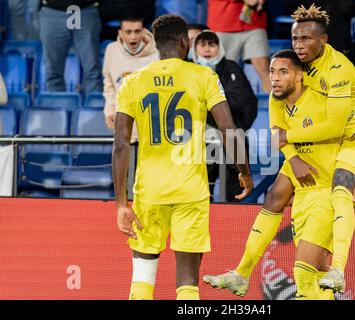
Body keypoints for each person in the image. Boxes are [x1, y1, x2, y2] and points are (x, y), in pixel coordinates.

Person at [203, 4, 355, 295]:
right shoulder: (291, 75)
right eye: (295, 38)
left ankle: (340, 267)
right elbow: (277, 130)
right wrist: (293, 155)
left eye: (306, 39)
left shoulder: (337, 71)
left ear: (323, 40)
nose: (299, 45)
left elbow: (343, 128)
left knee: (341, 195)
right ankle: (242, 273)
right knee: (274, 195)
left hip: (349, 140)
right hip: (310, 149)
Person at [112, 14, 253, 300]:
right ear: (183, 42)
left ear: (154, 42)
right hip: (191, 190)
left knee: (142, 276)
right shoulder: (203, 76)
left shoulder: (133, 82)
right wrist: (244, 172)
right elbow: (228, 128)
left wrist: (120, 203)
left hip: (149, 191)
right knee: (187, 282)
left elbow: (120, 146)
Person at [193, 30, 257, 202]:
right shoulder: (189, 71)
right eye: (203, 44)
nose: (207, 49)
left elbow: (248, 104)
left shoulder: (232, 69)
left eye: (212, 44)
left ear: (219, 47)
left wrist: (236, 131)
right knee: (200, 197)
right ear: (195, 48)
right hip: (200, 144)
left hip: (232, 141)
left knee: (235, 196)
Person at [102, 16, 159, 142]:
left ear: (144, 32)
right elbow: (109, 84)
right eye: (128, 32)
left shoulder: (158, 52)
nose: (133, 37)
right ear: (120, 33)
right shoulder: (112, 50)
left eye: (137, 31)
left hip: (152, 128)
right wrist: (109, 111)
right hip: (123, 126)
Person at [207, 0, 272, 93]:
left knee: (264, 67)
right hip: (223, 22)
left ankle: (277, 106)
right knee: (221, 72)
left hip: (255, 21)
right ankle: (220, 106)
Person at [39, 0, 102, 93]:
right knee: (53, 73)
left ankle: (93, 107)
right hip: (53, 10)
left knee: (93, 72)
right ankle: (57, 106)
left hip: (85, 9)